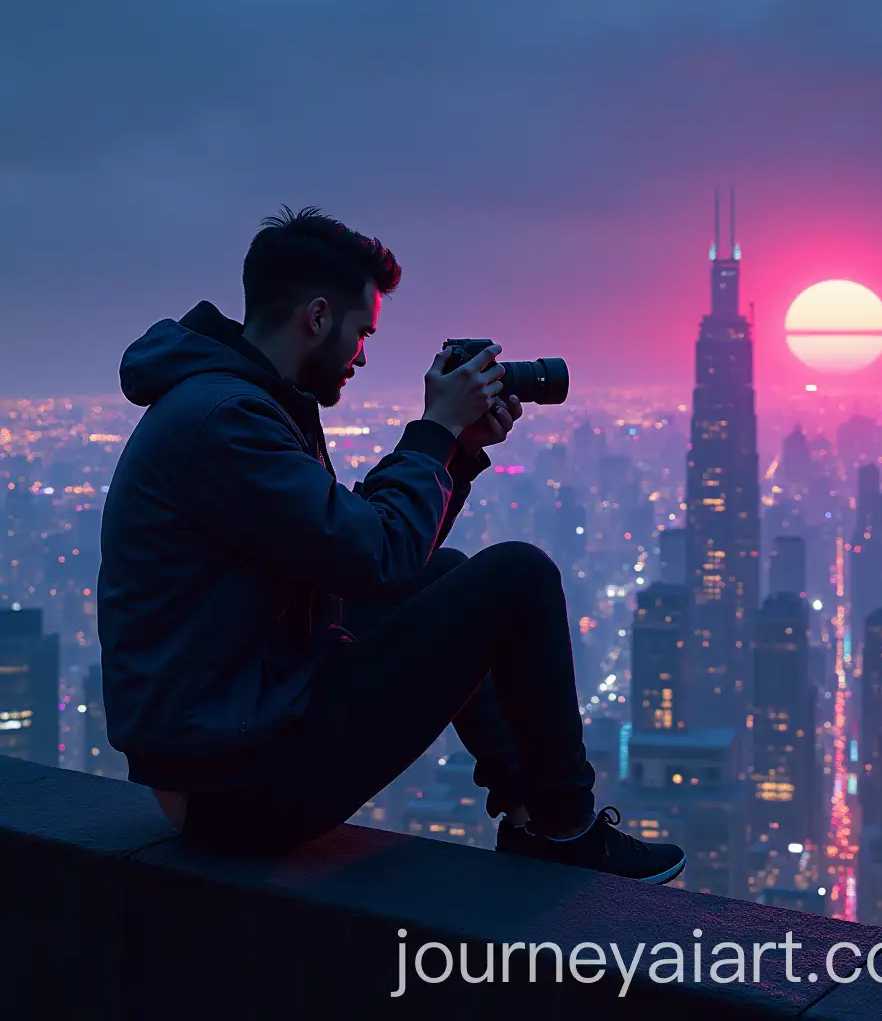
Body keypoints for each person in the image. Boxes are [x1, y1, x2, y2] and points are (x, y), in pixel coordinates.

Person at [97, 206, 686, 884]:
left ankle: (529, 817)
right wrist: (435, 429)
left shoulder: (236, 403)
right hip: (241, 783)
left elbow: (360, 554)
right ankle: (567, 830)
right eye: (361, 332)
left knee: (442, 575)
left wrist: (455, 450)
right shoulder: (225, 421)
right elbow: (373, 554)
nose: (363, 355)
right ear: (317, 318)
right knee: (518, 575)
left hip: (234, 742)